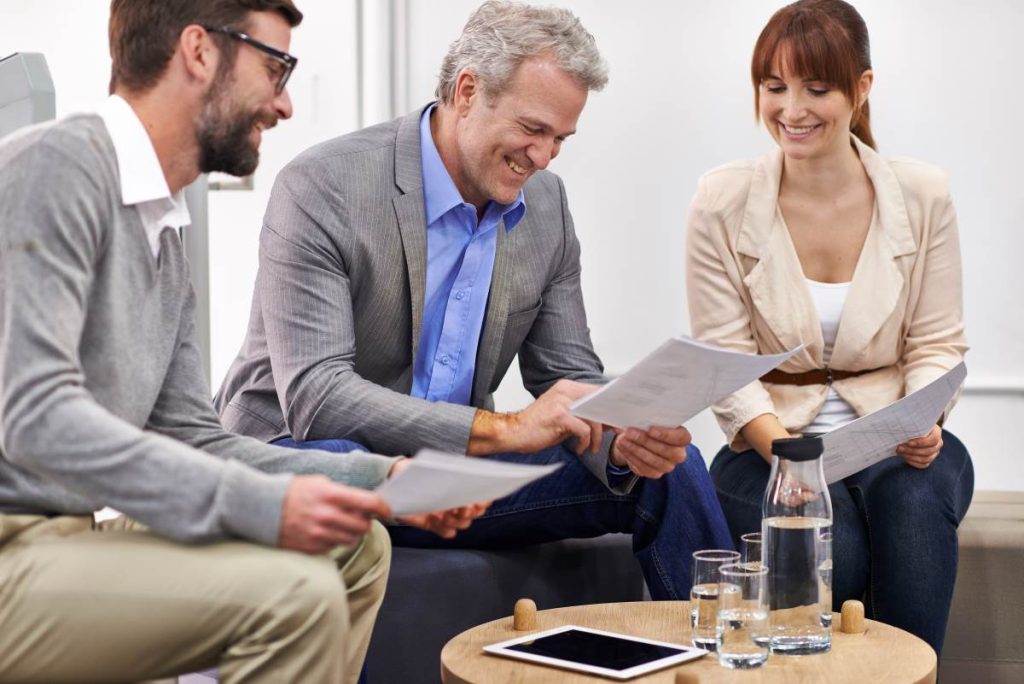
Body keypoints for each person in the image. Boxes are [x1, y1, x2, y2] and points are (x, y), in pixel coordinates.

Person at [0, 2, 483, 682]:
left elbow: (197, 438)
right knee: (297, 598)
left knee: (359, 546)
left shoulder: (163, 233)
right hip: (13, 548)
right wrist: (268, 504)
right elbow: (37, 419)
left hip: (70, 533)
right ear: (199, 52)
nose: (285, 104)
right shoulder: (59, 165)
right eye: (274, 66)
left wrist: (382, 482)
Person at [216, 0, 732, 600]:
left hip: (453, 481)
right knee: (338, 453)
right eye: (532, 129)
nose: (542, 157)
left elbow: (567, 377)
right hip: (316, 458)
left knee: (672, 470)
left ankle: (726, 657)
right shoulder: (324, 186)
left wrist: (620, 442)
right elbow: (317, 398)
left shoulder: (546, 208)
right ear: (467, 90)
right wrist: (505, 428)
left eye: (560, 139)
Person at [685, 0, 972, 654]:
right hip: (767, 447)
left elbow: (935, 342)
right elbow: (725, 361)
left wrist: (924, 417)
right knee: (823, 537)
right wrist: (791, 458)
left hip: (894, 438)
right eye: (773, 86)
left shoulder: (923, 194)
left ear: (860, 89)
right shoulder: (721, 200)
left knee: (916, 505)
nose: (791, 110)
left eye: (816, 89)